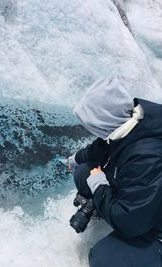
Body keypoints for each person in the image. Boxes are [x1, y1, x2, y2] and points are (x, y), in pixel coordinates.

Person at [68, 77, 162, 267]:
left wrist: (101, 189)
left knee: (104, 259)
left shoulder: (147, 157)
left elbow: (132, 223)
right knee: (83, 173)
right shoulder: (134, 119)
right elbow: (105, 144)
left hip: (153, 225)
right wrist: (77, 158)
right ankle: (108, 207)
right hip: (148, 197)